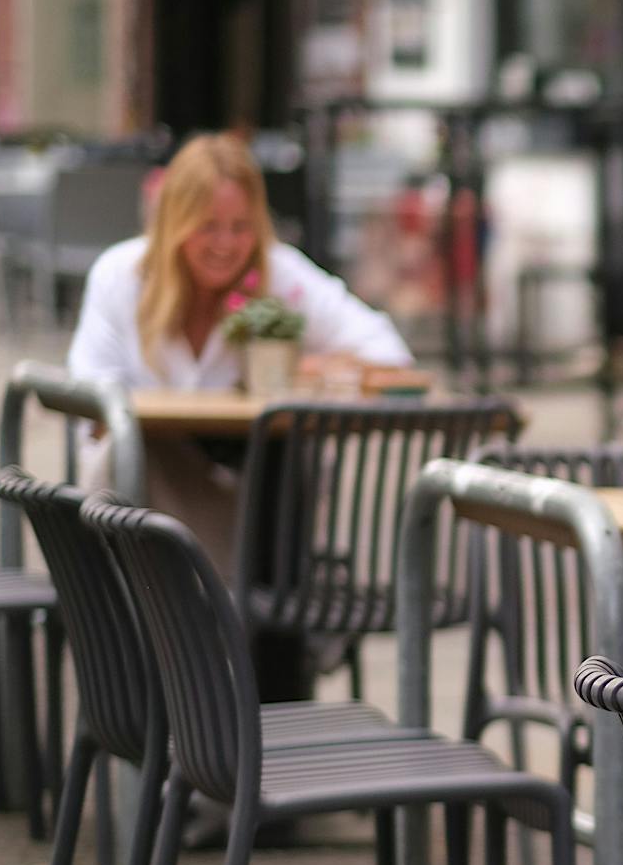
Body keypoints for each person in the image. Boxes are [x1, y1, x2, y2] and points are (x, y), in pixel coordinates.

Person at [68, 132, 413, 572]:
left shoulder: (280, 275)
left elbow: (390, 353)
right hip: (143, 493)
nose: (226, 245)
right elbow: (91, 401)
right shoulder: (121, 275)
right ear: (175, 222)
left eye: (241, 227)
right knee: (130, 450)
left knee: (282, 459)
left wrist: (309, 370)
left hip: (244, 488)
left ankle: (233, 592)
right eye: (207, 226)